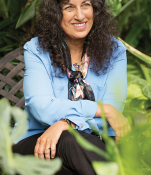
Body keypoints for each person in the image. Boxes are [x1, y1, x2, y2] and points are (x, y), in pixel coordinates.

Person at [12, 0, 131, 174]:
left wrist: (68, 123)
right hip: (38, 142)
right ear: (55, 13)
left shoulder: (115, 50)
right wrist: (102, 110)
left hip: (95, 140)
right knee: (70, 141)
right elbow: (42, 108)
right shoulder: (36, 49)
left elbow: (114, 107)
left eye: (85, 5)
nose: (80, 15)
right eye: (69, 7)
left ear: (95, 9)